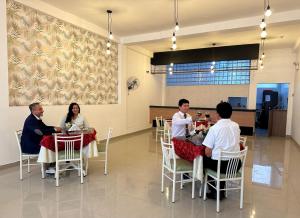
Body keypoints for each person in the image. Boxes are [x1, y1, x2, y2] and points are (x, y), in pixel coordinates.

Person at [202, 102, 241, 200]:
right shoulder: (236, 126)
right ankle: (221, 190)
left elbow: (208, 152)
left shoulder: (214, 128)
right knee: (221, 159)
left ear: (218, 114)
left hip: (221, 166)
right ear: (230, 113)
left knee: (203, 160)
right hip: (235, 164)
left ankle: (214, 191)